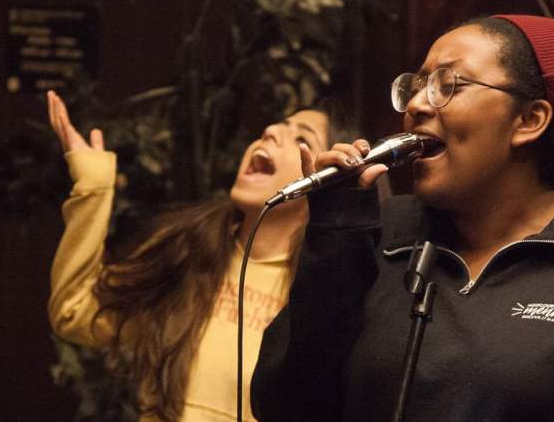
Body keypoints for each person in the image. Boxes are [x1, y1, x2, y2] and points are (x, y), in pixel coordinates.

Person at [251, 15, 554, 421]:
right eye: (418, 85)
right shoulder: (380, 232)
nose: (419, 105)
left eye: (449, 84)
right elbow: (286, 408)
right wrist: (336, 235)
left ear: (529, 121)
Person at [45, 90, 356, 421]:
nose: (270, 131)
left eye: (301, 138)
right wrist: (92, 188)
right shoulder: (187, 252)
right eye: (278, 124)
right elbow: (74, 311)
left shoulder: (321, 291)